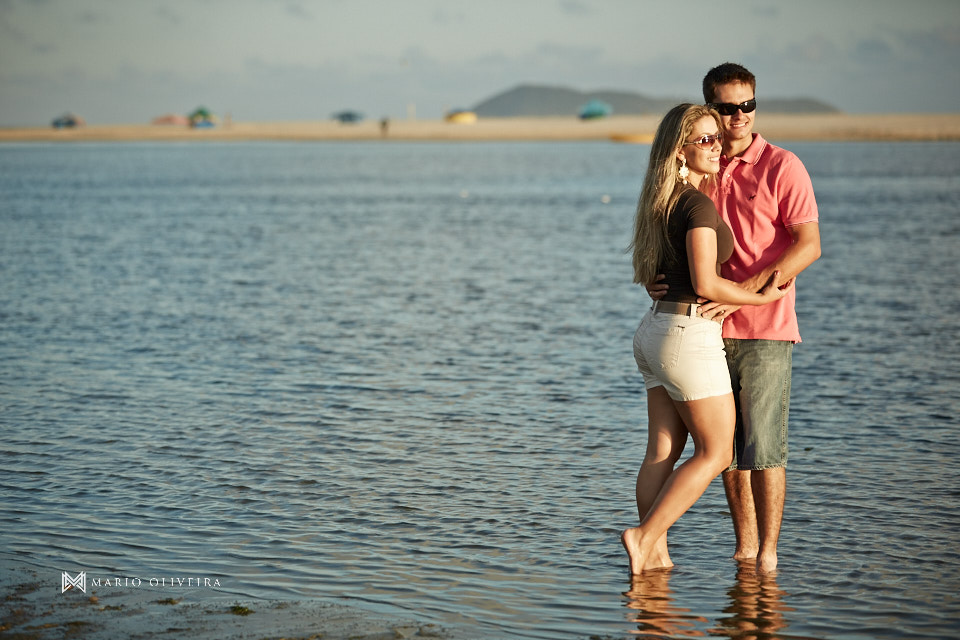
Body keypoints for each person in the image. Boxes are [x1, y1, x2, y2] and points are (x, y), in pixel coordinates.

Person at [649, 63, 821, 573]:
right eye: (727, 107)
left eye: (747, 105)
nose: (739, 116)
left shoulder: (783, 166)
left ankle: (768, 557)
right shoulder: (701, 166)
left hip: (765, 329)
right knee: (724, 450)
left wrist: (748, 290)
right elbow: (669, 231)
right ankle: (744, 549)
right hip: (704, 330)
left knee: (763, 448)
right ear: (710, 110)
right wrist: (655, 276)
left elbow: (809, 245)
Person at [621, 103, 793, 575]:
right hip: (687, 335)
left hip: (655, 331)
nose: (715, 146)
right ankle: (644, 536)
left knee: (662, 450)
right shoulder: (698, 204)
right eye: (703, 140)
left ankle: (652, 558)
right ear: (680, 150)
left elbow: (664, 272)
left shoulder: (664, 199)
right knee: (717, 452)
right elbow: (705, 283)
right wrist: (760, 298)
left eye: (716, 137)